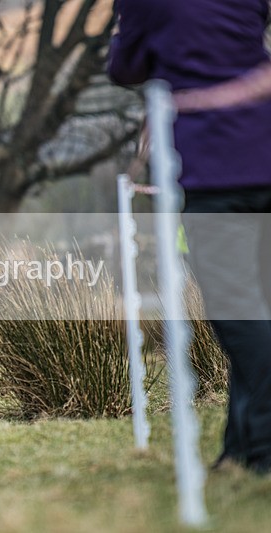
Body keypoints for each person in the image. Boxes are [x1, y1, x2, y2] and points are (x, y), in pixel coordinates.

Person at [109, 0, 271, 473]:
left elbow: (125, 66)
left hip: (215, 169)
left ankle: (259, 449)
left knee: (236, 311)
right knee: (254, 308)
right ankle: (245, 449)